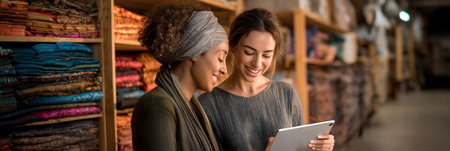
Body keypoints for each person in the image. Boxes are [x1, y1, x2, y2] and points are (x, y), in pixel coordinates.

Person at [198, 8, 335, 151]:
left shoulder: (286, 93)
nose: (257, 63)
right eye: (249, 52)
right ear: (232, 45)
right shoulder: (208, 105)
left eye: (266, 55)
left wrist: (318, 147)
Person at [131, 3, 229, 151]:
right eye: (220, 58)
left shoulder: (191, 106)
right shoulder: (157, 106)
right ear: (196, 52)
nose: (224, 70)